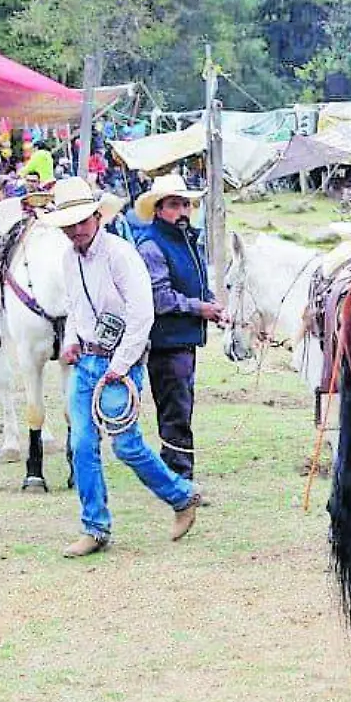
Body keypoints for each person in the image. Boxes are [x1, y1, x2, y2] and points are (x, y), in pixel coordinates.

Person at [43, 176, 204, 558]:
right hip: (87, 359)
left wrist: (120, 364)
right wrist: (70, 342)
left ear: (97, 217)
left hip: (121, 360)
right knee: (81, 443)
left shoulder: (120, 254)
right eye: (69, 224)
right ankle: (94, 526)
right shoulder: (69, 258)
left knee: (127, 445)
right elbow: (75, 306)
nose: (76, 230)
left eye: (81, 221)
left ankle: (181, 496)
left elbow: (141, 314)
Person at [133, 174, 221, 481]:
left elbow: (195, 285)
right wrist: (201, 308)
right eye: (174, 205)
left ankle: (178, 477)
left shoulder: (187, 240)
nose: (182, 211)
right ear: (158, 209)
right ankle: (179, 481)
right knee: (175, 412)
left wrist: (209, 302)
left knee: (181, 409)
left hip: (183, 340)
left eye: (185, 204)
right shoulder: (152, 246)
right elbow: (160, 298)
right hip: (166, 343)